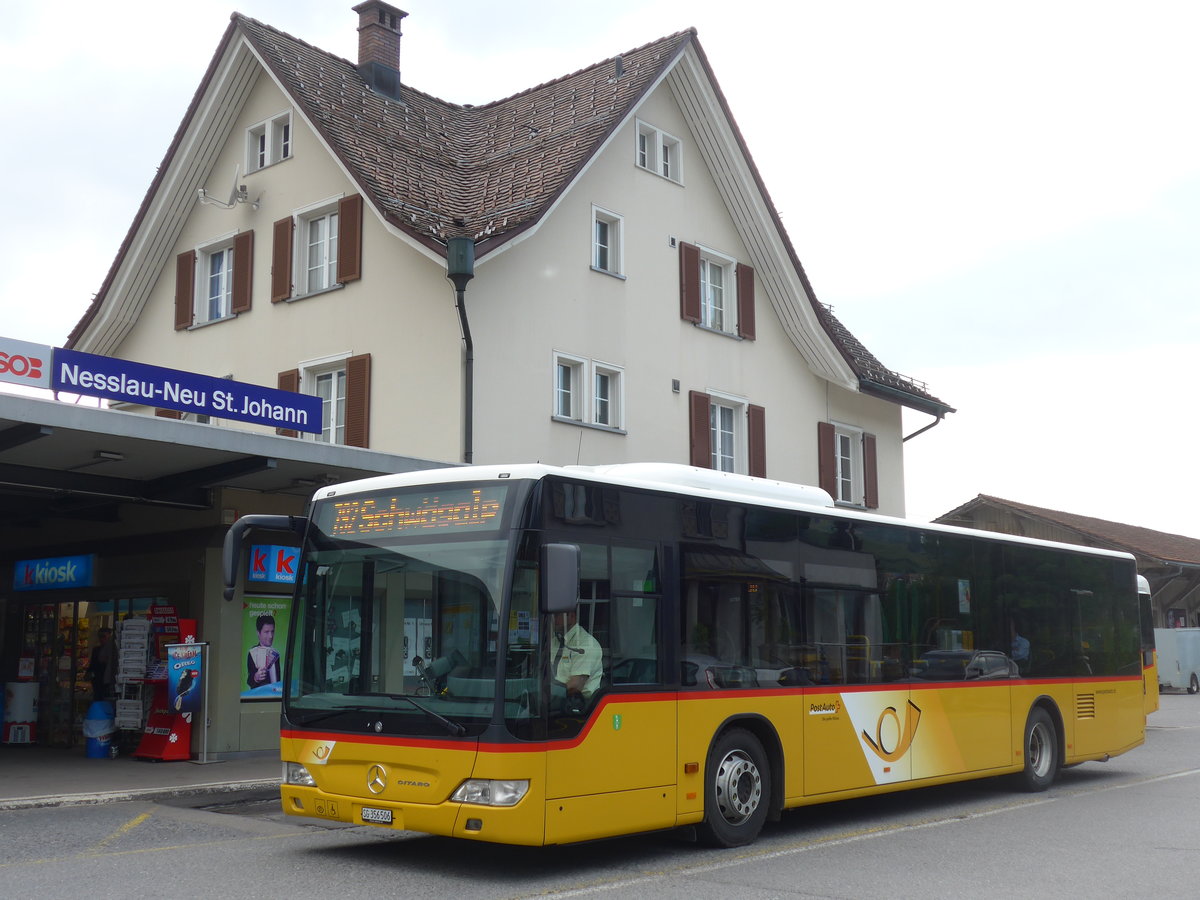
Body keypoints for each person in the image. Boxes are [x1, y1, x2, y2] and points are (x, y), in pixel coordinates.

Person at [550, 607, 603, 715]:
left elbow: (575, 686)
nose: (553, 619)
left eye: (557, 615)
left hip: (577, 704)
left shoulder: (586, 644)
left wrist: (546, 693)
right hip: (555, 698)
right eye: (552, 616)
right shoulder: (556, 641)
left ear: (572, 616)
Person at [246, 614, 281, 689]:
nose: (271, 636)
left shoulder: (276, 654)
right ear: (258, 633)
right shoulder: (252, 653)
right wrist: (256, 677)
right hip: (261, 698)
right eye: (266, 632)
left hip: (276, 698)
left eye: (272, 631)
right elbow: (249, 680)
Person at [89, 627, 116, 701]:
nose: (102, 639)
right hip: (99, 680)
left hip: (106, 680)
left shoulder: (112, 649)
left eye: (104, 636)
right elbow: (93, 665)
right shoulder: (97, 650)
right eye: (100, 637)